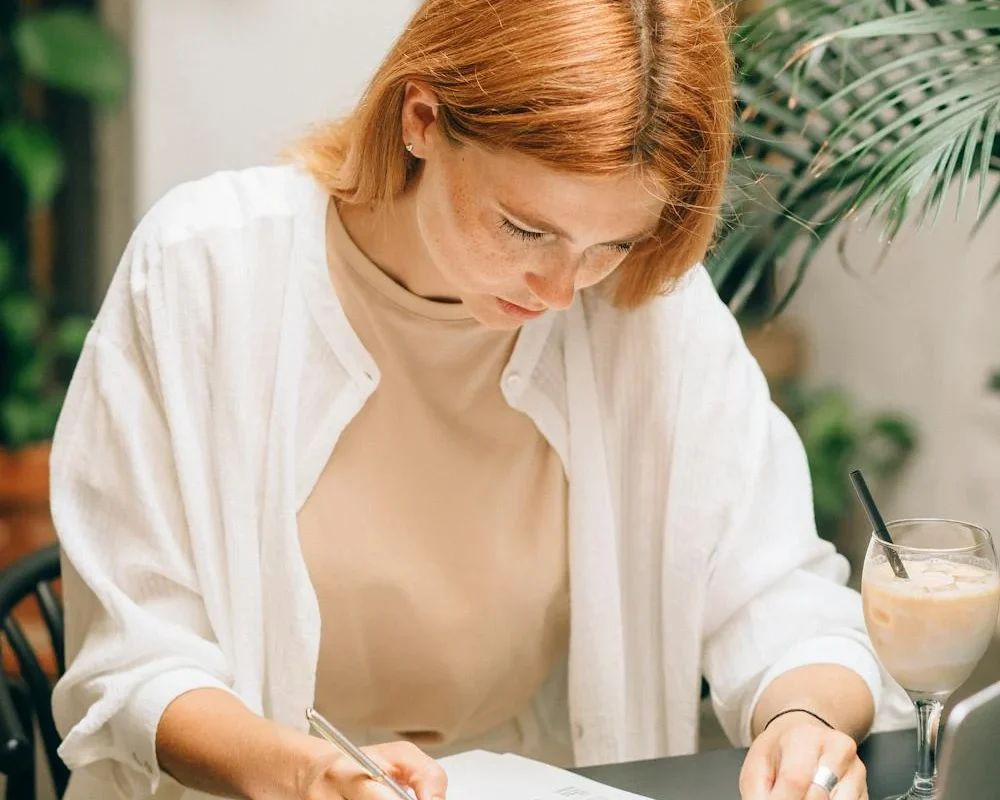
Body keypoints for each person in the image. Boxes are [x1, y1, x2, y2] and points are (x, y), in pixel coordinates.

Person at [49, 1, 909, 798]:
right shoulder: (205, 269)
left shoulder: (646, 312)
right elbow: (135, 659)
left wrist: (804, 719)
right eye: (525, 230)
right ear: (421, 120)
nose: (563, 289)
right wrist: (307, 775)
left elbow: (779, 597)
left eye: (611, 242)